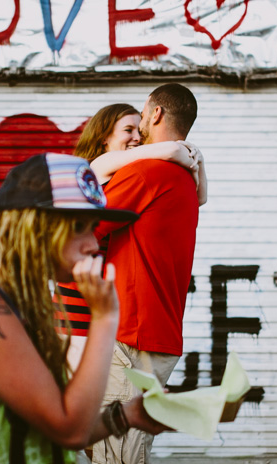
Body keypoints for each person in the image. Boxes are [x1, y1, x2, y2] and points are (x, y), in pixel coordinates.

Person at [0, 153, 170, 463]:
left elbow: (50, 427)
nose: (93, 243)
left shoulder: (19, 303)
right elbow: (70, 431)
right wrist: (105, 318)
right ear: (35, 228)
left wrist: (128, 415)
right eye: (79, 226)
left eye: (93, 227)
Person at [90, 83, 203, 464]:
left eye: (141, 117)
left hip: (132, 336)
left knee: (117, 453)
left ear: (155, 114)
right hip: (158, 332)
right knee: (127, 446)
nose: (137, 133)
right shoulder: (187, 178)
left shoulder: (148, 172)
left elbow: (84, 227)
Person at [54, 103, 207, 371]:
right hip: (76, 310)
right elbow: (167, 150)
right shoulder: (95, 170)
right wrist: (183, 151)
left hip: (100, 312)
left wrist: (195, 162)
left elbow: (200, 198)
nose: (137, 137)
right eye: (128, 130)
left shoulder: (124, 175)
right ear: (104, 137)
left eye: (139, 129)